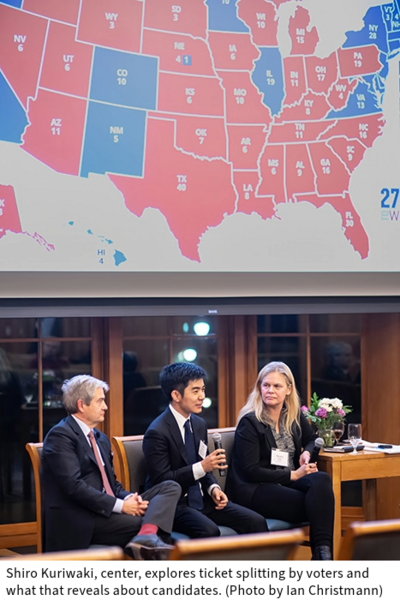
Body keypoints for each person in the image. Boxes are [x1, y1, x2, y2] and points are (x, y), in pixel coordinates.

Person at [41, 374, 181, 559]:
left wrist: (130, 498)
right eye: (100, 401)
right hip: (82, 517)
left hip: (107, 508)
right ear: (82, 405)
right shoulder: (60, 435)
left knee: (170, 487)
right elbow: (74, 487)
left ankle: (146, 536)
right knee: (154, 523)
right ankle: (147, 538)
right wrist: (122, 506)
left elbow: (112, 485)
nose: (105, 406)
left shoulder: (100, 437)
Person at [142, 362, 268, 539]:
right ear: (176, 395)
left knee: (256, 521)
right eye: (195, 391)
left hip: (202, 499)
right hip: (175, 504)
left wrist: (213, 488)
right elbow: (162, 480)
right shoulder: (157, 432)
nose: (202, 396)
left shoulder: (199, 424)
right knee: (209, 531)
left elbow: (204, 466)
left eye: (203, 389)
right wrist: (202, 467)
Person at [226, 361, 335, 560]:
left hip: (286, 483)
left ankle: (323, 555)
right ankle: (323, 557)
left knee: (322, 480)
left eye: (277, 386)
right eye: (266, 385)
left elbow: (311, 439)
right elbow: (250, 470)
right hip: (255, 488)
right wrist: (294, 474)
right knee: (319, 504)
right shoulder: (250, 422)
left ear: (288, 389)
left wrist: (307, 454)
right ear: (260, 387)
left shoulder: (292, 415)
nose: (270, 391)